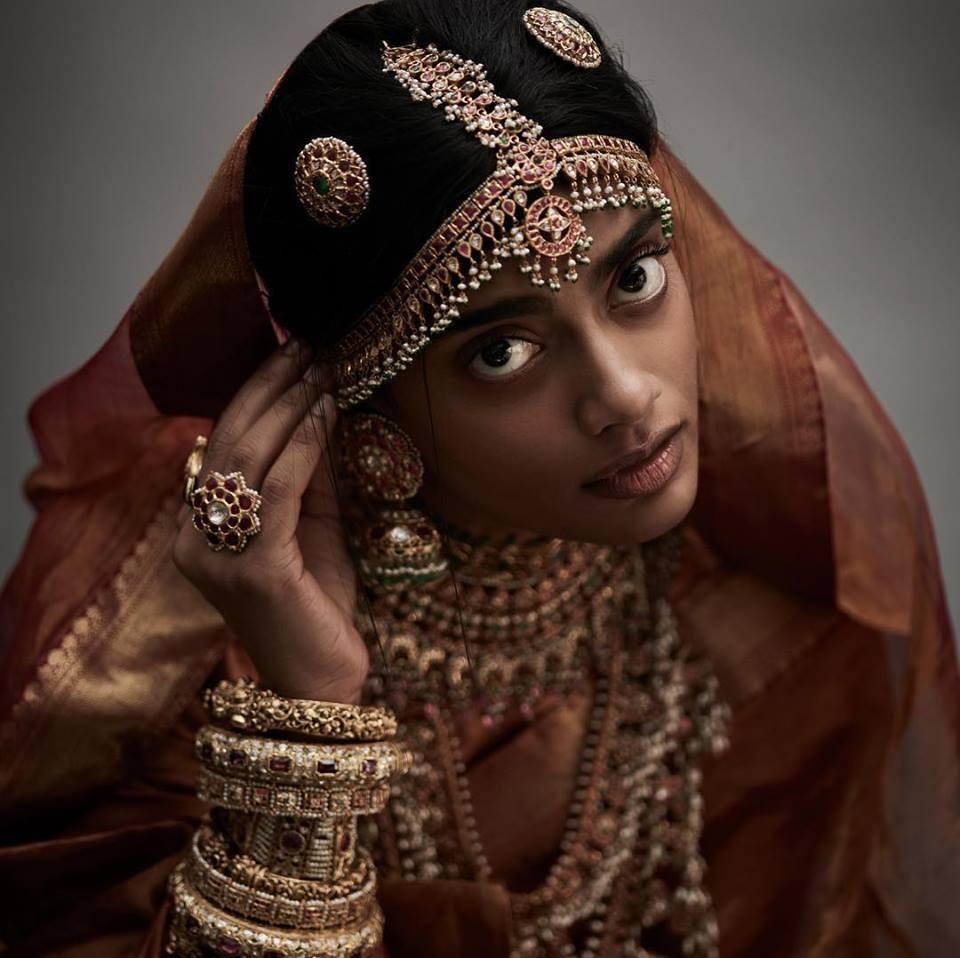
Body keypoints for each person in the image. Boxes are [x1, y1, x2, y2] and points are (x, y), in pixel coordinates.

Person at [0, 1, 957, 955]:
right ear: (358, 400)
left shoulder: (779, 619)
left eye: (634, 280)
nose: (626, 396)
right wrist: (309, 715)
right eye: (501, 351)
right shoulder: (171, 655)